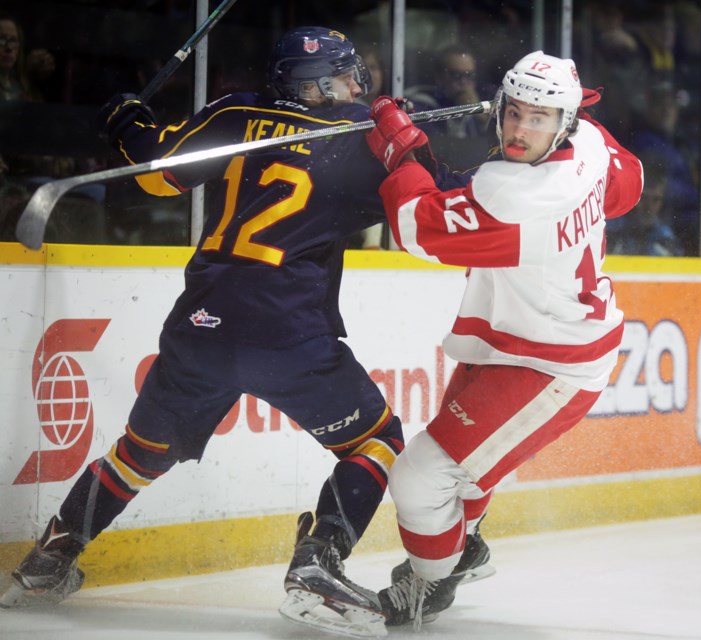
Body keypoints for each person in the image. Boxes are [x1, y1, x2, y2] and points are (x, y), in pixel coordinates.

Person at [1, 26, 402, 639]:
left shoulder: (238, 111)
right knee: (376, 440)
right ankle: (317, 564)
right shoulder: (357, 135)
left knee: (138, 453)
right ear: (321, 84)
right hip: (288, 334)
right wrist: (415, 143)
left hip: (202, 325)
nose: (356, 83)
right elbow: (426, 208)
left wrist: (126, 120)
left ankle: (47, 561)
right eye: (347, 74)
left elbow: (156, 175)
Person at [363, 50, 644, 627]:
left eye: (538, 119)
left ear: (563, 121)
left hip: (550, 363)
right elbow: (627, 189)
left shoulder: (520, 199)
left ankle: (430, 582)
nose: (520, 129)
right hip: (516, 336)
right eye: (514, 113)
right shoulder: (589, 139)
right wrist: (424, 158)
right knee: (460, 474)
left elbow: (417, 227)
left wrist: (400, 155)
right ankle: (456, 554)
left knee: (421, 477)